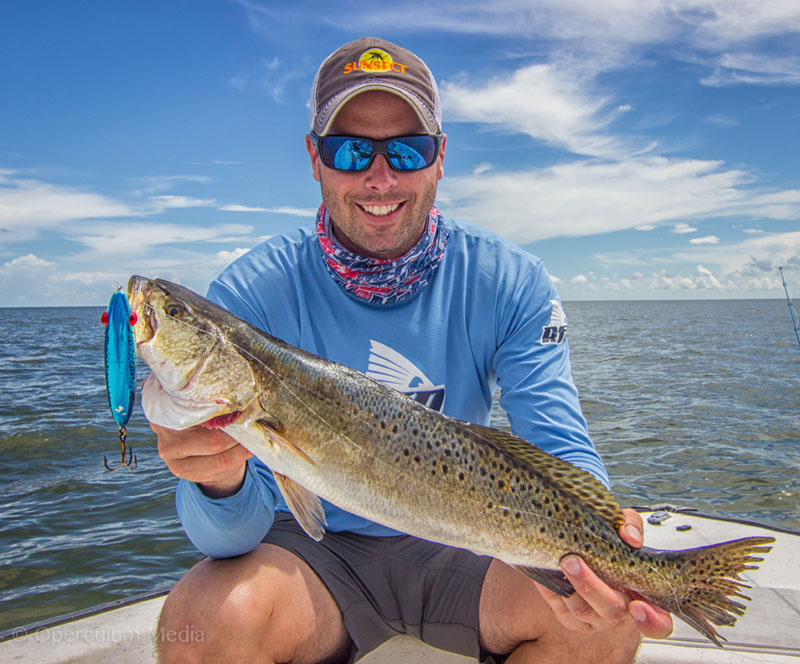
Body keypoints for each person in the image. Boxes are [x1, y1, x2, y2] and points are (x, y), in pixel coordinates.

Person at [153, 37, 673, 664]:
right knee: (202, 628)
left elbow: (559, 445)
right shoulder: (247, 293)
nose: (380, 176)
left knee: (607, 625)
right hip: (317, 558)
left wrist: (605, 545)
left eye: (407, 149)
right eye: (350, 150)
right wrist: (218, 482)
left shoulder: (511, 279)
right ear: (315, 159)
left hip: (468, 543)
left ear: (440, 158)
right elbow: (230, 540)